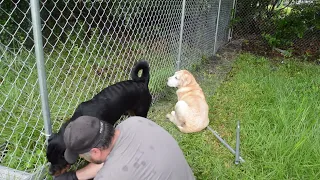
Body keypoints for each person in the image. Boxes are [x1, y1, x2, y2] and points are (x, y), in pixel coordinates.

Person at [54, 115, 196, 180]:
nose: (82, 158)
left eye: (82, 156)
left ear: (95, 152)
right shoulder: (133, 122)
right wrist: (75, 176)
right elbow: (112, 160)